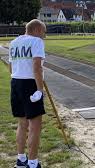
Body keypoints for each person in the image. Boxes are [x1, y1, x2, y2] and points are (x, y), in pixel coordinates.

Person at [9, 19, 46, 168]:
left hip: (15, 82)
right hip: (29, 84)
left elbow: (11, 67)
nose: (44, 36)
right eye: (43, 32)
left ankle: (21, 160)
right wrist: (39, 89)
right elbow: (37, 67)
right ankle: (32, 163)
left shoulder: (13, 43)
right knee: (35, 125)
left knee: (22, 123)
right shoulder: (36, 41)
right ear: (37, 30)